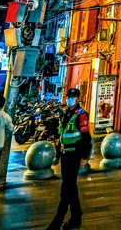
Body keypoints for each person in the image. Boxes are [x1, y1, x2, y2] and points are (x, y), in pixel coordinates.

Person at [46, 87, 91, 230]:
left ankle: (57, 222)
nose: (70, 99)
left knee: (67, 189)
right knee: (70, 188)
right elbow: (62, 136)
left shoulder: (81, 114)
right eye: (68, 97)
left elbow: (86, 138)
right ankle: (76, 217)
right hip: (65, 155)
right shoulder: (66, 114)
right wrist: (58, 155)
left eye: (73, 97)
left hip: (74, 155)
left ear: (77, 98)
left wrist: (84, 157)